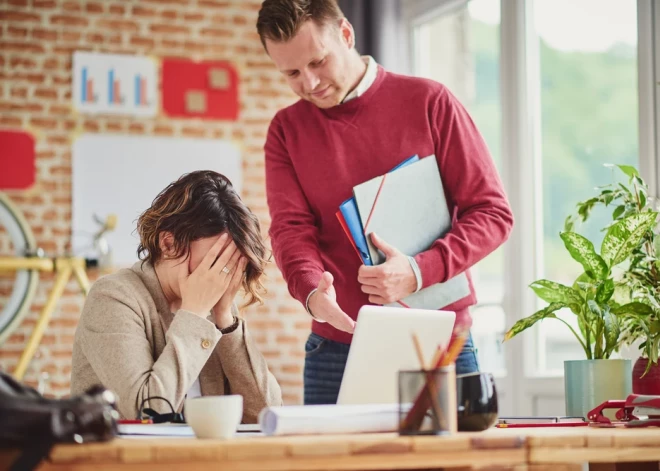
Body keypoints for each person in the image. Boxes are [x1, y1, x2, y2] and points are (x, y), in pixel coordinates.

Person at [257, 0, 515, 406]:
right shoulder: (286, 131)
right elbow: (291, 230)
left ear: (346, 34)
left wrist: (418, 271)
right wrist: (311, 292)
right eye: (291, 73)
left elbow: (493, 213)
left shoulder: (430, 101)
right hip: (337, 347)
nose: (308, 83)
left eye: (318, 62)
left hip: (438, 339)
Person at [71, 170, 282, 422]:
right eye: (214, 261)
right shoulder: (113, 297)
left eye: (231, 265)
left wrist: (226, 320)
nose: (220, 277)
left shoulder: (217, 306)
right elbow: (148, 412)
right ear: (168, 244)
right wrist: (193, 314)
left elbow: (267, 414)